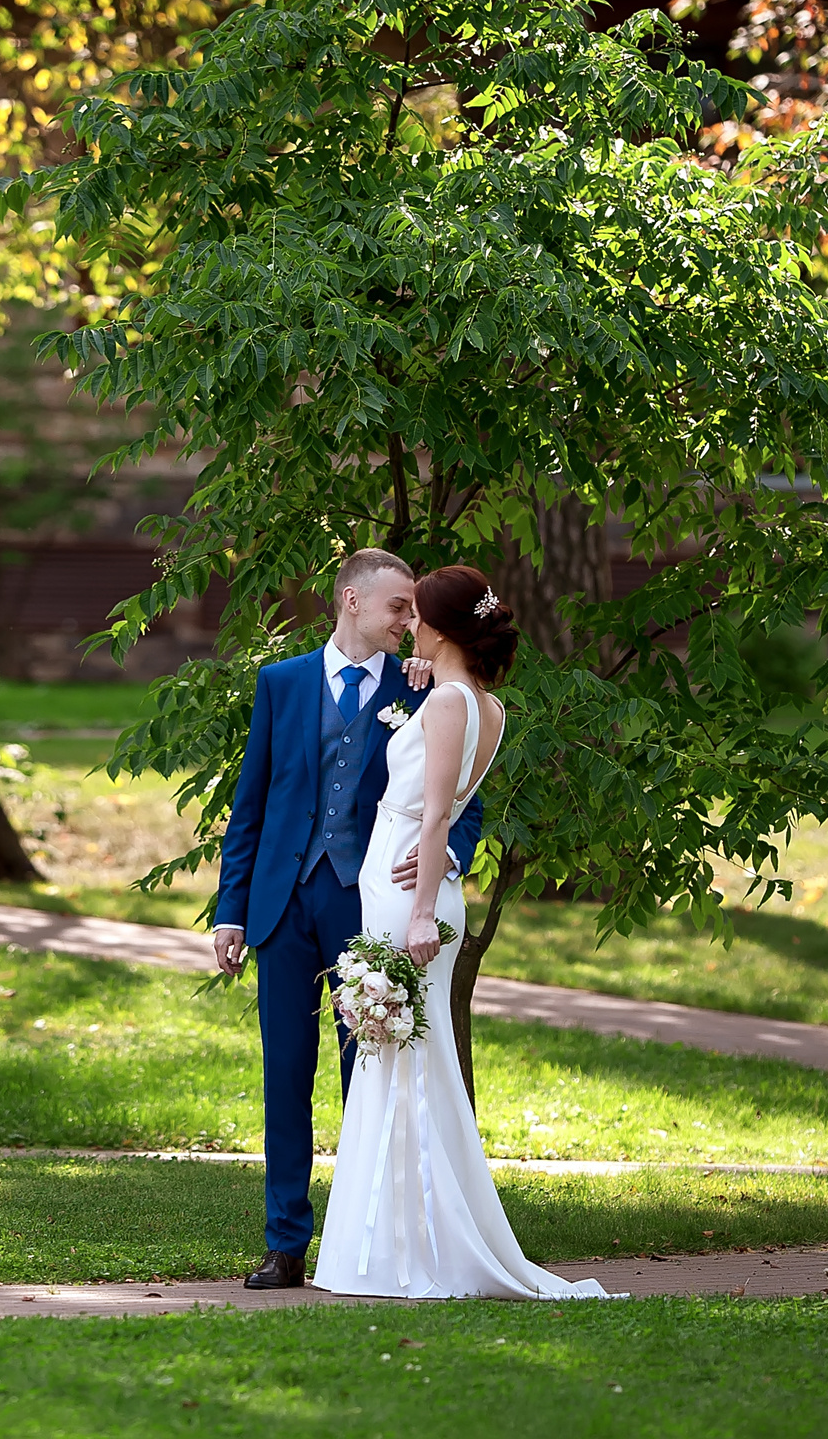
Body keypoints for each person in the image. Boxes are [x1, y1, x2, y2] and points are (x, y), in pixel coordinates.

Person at [309, 563, 618, 1300]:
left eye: (417, 615)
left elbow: (440, 808)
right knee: (403, 1058)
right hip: (411, 879)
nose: (407, 624)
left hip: (408, 889)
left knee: (401, 1061)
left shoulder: (450, 705)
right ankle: (389, 1245)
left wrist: (418, 913)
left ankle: (410, 1254)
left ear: (440, 627)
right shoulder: (485, 704)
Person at [211, 549, 485, 1291]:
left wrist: (447, 860)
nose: (409, 621)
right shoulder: (283, 682)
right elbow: (253, 803)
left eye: (415, 611)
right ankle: (284, 1243)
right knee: (285, 1076)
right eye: (399, 607)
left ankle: (367, 1240)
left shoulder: (425, 688)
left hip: (367, 905)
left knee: (368, 1073)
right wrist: (229, 911)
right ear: (351, 601)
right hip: (282, 905)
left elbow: (463, 800)